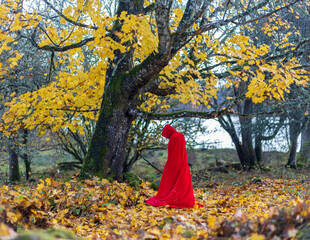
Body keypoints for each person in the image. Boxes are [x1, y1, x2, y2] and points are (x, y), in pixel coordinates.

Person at [146, 124, 199, 208]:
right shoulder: (181, 135)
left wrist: (169, 164)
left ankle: (172, 198)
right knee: (181, 182)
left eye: (165, 135)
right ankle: (182, 199)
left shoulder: (173, 137)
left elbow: (172, 153)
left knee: (170, 181)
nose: (166, 137)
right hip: (183, 162)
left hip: (174, 162)